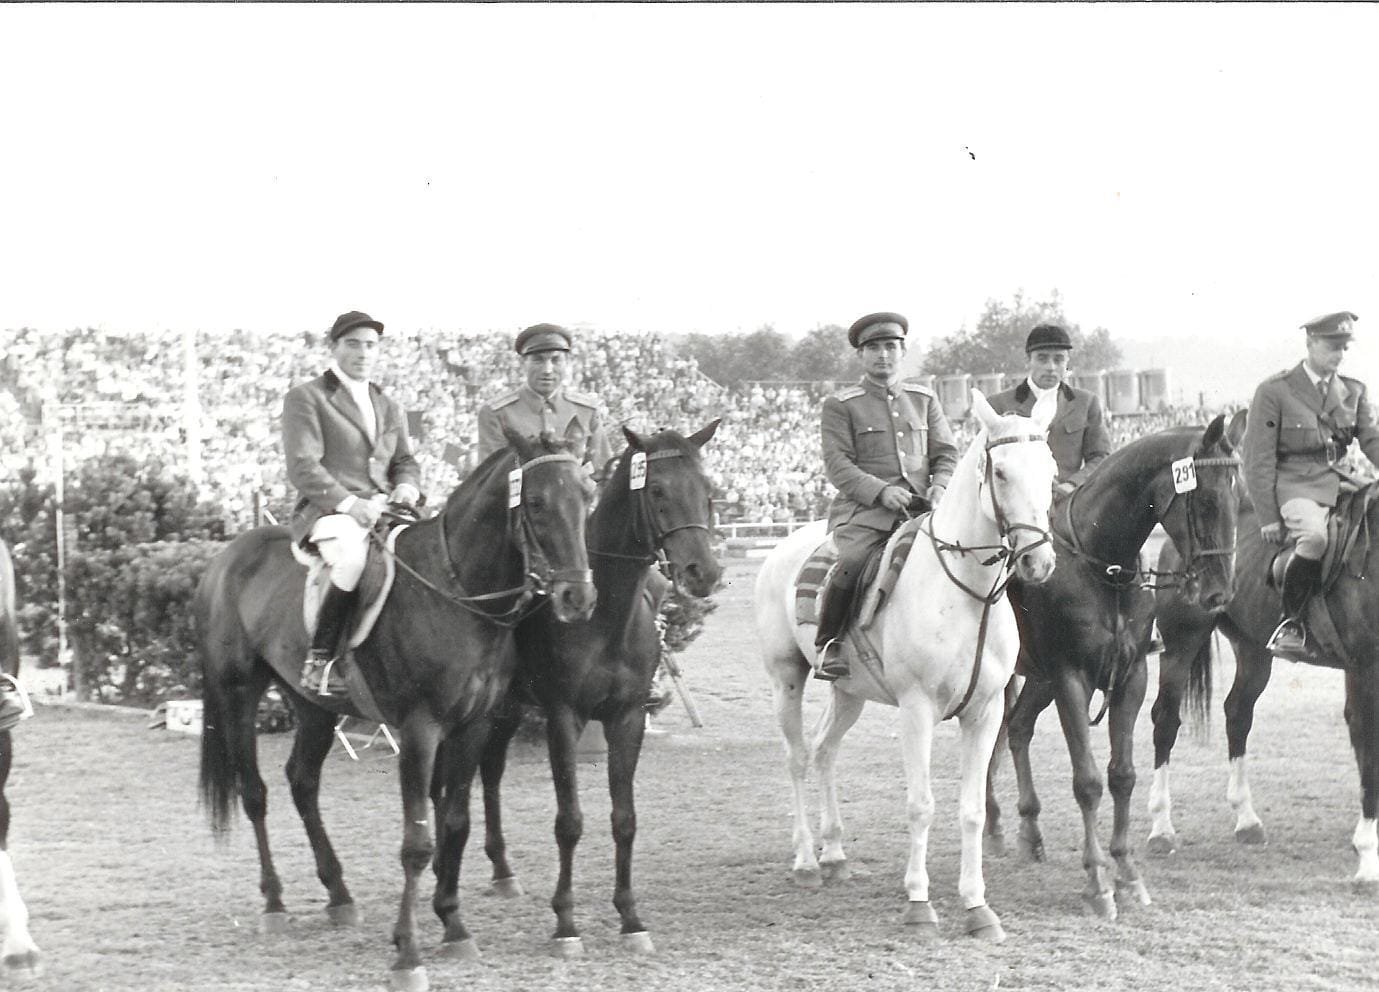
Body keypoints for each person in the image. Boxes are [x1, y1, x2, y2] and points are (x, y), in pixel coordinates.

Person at [283, 311, 421, 697]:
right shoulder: (307, 397)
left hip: (385, 509)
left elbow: (405, 461)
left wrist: (406, 487)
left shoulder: (389, 404)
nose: (363, 353)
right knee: (354, 560)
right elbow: (303, 466)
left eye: (370, 345)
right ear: (334, 347)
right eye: (353, 344)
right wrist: (348, 504)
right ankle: (321, 659)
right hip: (330, 511)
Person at [815, 312, 958, 681]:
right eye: (874, 347)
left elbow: (946, 453)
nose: (883, 354)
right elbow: (838, 464)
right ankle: (830, 643)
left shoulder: (924, 399)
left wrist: (940, 486)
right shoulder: (841, 404)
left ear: (903, 351)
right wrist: (880, 491)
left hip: (925, 510)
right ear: (860, 355)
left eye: (891, 346)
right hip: (866, 514)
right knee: (852, 562)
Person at [1241, 310, 1379, 658]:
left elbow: (1372, 441)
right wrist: (1268, 517)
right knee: (1315, 539)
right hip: (1296, 486)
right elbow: (1258, 459)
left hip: (1346, 481)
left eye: (1344, 347)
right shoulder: (1275, 391)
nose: (1339, 354)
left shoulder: (1353, 390)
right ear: (1310, 343)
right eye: (1332, 346)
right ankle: (1292, 624)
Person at [988, 323, 1111, 497]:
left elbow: (1101, 456)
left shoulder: (1086, 403)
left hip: (1069, 501)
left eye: (1059, 359)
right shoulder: (999, 405)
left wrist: (1073, 484)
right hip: (1018, 503)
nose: (1051, 367)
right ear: (1028, 361)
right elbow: (985, 462)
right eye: (1042, 359)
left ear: (1067, 362)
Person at [475, 323, 613, 474]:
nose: (547, 370)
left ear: (567, 363)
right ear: (523, 363)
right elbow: (492, 477)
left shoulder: (586, 411)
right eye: (538, 360)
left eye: (556, 360)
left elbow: (602, 471)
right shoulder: (497, 413)